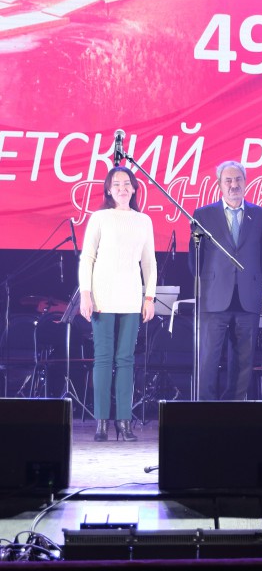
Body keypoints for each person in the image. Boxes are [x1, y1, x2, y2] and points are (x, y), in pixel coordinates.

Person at [79, 166, 157, 442]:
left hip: (131, 296)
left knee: (125, 359)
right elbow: (87, 257)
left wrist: (149, 297)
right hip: (102, 295)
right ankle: (101, 422)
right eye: (116, 184)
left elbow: (149, 262)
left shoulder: (143, 220)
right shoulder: (100, 217)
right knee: (103, 358)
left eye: (126, 184)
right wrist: (85, 294)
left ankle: (124, 421)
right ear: (109, 190)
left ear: (134, 188)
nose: (122, 188)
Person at [189, 161, 262, 401]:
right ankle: (207, 411)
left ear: (245, 182)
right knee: (208, 359)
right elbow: (195, 258)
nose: (234, 184)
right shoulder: (203, 215)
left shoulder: (261, 216)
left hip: (248, 297)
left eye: (238, 179)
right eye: (228, 180)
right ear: (219, 185)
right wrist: (208, 284)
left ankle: (232, 410)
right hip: (214, 297)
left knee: (243, 362)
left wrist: (251, 280)